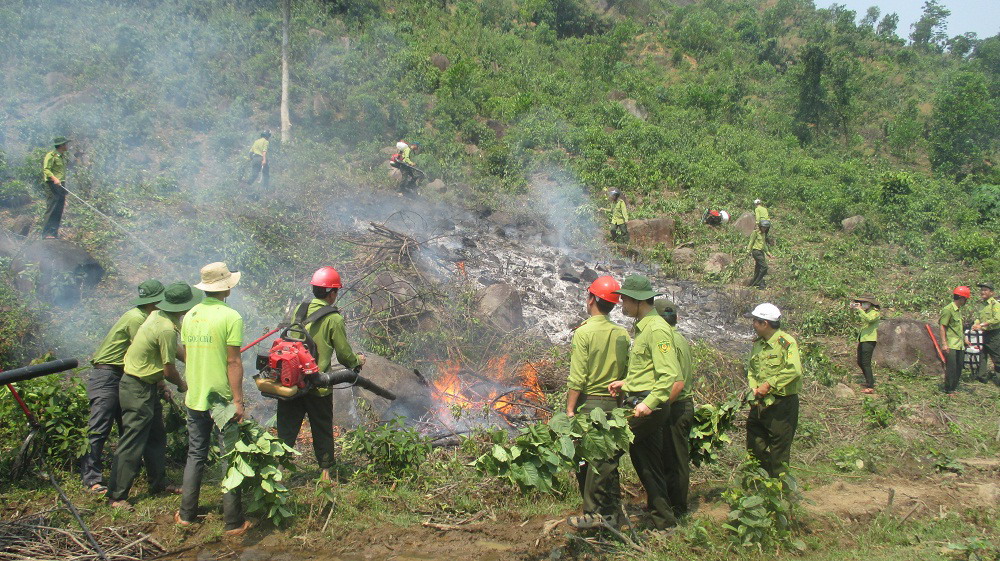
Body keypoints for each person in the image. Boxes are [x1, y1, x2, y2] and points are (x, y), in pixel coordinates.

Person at [107, 283, 198, 509]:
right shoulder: (166, 327)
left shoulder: (159, 315)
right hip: (136, 387)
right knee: (133, 440)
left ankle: (158, 483)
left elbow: (172, 349)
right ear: (182, 307)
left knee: (157, 435)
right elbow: (169, 369)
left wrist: (196, 359)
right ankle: (117, 496)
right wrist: (183, 384)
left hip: (148, 386)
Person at [177, 262, 251, 535]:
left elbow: (188, 354)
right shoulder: (231, 317)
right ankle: (233, 522)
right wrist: (238, 401)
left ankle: (186, 515)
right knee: (229, 457)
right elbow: (233, 362)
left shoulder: (190, 315)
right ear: (227, 287)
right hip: (221, 400)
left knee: (195, 454)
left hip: (195, 396)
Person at [277, 266, 365, 482]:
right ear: (332, 293)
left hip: (293, 382)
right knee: (322, 429)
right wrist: (357, 362)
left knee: (286, 429)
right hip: (318, 385)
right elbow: (344, 354)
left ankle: (276, 474)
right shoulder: (333, 318)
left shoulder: (300, 308)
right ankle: (325, 474)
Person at [607, 275, 680, 530]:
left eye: (624, 299)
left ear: (638, 300)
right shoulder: (643, 326)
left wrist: (648, 403)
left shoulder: (657, 329)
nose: (621, 303)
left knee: (606, 449)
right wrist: (625, 384)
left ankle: (607, 517)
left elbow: (668, 373)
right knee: (647, 462)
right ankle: (664, 521)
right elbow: (647, 369)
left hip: (647, 407)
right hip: (640, 399)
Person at [81, 279, 165, 494]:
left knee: (130, 427)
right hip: (109, 373)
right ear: (154, 302)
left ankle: (129, 475)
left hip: (127, 374)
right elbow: (149, 352)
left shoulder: (144, 317)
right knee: (100, 425)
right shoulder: (137, 319)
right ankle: (92, 479)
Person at [565, 276, 630, 530]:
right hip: (613, 405)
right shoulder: (622, 334)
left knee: (589, 461)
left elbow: (577, 377)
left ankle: (593, 515)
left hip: (589, 405)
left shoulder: (584, 333)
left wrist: (570, 409)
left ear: (591, 298)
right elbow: (625, 374)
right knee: (608, 461)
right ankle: (612, 512)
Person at [745, 303, 802, 478]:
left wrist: (769, 384)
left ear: (765, 323)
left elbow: (794, 370)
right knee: (755, 444)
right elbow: (752, 370)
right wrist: (753, 388)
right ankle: (762, 481)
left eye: (755, 321)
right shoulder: (758, 344)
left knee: (779, 451)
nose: (753, 324)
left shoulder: (786, 342)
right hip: (760, 403)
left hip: (781, 405)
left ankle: (780, 491)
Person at [654, 299, 694, 518]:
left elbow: (676, 384)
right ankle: (671, 503)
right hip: (679, 404)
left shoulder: (668, 340)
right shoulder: (679, 338)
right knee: (671, 457)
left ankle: (678, 509)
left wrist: (658, 407)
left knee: (676, 460)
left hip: (676, 405)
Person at [940, 286, 972, 396]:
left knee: (959, 367)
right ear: (961, 298)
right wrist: (944, 344)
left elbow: (958, 328)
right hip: (951, 344)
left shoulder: (958, 311)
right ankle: (948, 389)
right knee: (951, 368)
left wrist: (965, 339)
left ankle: (954, 387)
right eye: (965, 299)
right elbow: (942, 327)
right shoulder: (948, 310)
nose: (965, 301)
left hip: (960, 344)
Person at [41, 136, 70, 238]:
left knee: (59, 209)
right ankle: (46, 234)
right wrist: (55, 179)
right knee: (52, 207)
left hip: (61, 184)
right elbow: (46, 170)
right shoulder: (51, 155)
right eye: (66, 144)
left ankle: (53, 233)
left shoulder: (62, 156)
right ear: (61, 145)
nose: (67, 146)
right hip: (52, 184)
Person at [851, 295, 881, 394]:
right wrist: (854, 310)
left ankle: (870, 386)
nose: (862, 304)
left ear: (870, 303)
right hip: (863, 339)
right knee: (860, 361)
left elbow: (869, 320)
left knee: (865, 362)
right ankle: (868, 381)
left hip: (869, 340)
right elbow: (858, 321)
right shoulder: (865, 312)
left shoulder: (875, 313)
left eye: (864, 303)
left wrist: (860, 310)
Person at [972, 283, 1000, 385]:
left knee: (996, 356)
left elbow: (997, 319)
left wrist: (982, 325)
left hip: (994, 334)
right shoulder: (981, 305)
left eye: (985, 290)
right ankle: (982, 377)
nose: (982, 292)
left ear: (991, 292)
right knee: (982, 355)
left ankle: (998, 379)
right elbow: (978, 317)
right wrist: (975, 324)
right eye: (982, 290)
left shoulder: (995, 304)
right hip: (983, 333)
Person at [747, 220, 771, 289]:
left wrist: (768, 253)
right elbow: (751, 242)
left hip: (761, 252)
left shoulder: (764, 234)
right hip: (756, 251)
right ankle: (758, 282)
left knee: (758, 268)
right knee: (764, 267)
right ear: (760, 227)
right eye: (763, 227)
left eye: (766, 228)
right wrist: (748, 251)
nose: (764, 229)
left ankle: (754, 283)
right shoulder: (755, 233)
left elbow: (764, 245)